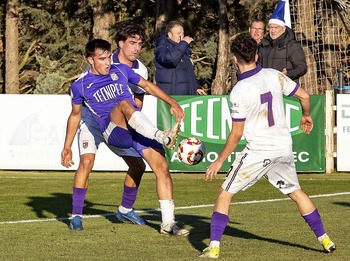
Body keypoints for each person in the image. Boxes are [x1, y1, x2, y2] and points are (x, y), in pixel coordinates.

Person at [198, 34, 335, 258]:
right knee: (296, 192)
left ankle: (213, 248)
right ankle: (325, 239)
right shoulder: (274, 75)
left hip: (259, 152)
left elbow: (237, 134)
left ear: (234, 59)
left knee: (224, 194)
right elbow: (304, 95)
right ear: (257, 54)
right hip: (283, 148)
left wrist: (219, 160)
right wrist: (306, 116)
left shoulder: (239, 91)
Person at [61, 38, 189, 236]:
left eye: (107, 57)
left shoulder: (121, 70)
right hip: (113, 130)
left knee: (158, 168)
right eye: (101, 59)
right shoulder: (80, 85)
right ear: (90, 60)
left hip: (136, 127)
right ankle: (76, 215)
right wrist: (67, 147)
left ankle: (167, 223)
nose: (107, 62)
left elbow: (147, 85)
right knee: (124, 105)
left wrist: (172, 102)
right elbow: (76, 115)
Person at [62, 22, 150, 231]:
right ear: (121, 45)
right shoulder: (93, 68)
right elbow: (77, 108)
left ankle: (125, 210)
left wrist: (130, 120)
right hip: (91, 122)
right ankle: (76, 215)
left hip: (116, 122)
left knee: (138, 166)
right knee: (87, 162)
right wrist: (66, 147)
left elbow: (139, 99)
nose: (136, 48)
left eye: (139, 43)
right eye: (132, 43)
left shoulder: (141, 69)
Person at [258, 0, 307, 84]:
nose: (273, 30)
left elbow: (302, 67)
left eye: (276, 27)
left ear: (283, 29)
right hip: (266, 88)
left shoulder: (292, 45)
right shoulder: (264, 45)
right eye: (271, 27)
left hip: (287, 88)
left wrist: (288, 73)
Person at [155, 21, 206, 95]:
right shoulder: (162, 49)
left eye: (183, 33)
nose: (181, 36)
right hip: (170, 99)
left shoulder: (184, 51)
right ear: (170, 35)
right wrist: (184, 43)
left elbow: (189, 73)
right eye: (178, 33)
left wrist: (196, 87)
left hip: (187, 100)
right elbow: (170, 60)